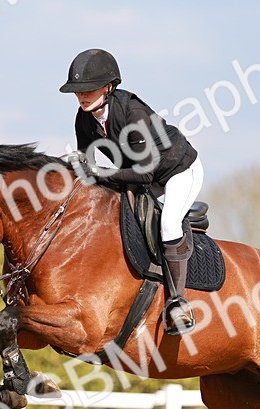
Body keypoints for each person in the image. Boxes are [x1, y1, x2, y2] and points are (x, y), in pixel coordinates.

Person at [60, 48, 203, 336]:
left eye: (88, 89)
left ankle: (178, 302)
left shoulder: (133, 113)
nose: (82, 96)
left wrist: (99, 173)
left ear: (109, 87)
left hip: (175, 170)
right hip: (137, 172)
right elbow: (86, 161)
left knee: (168, 223)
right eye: (78, 91)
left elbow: (146, 174)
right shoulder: (84, 118)